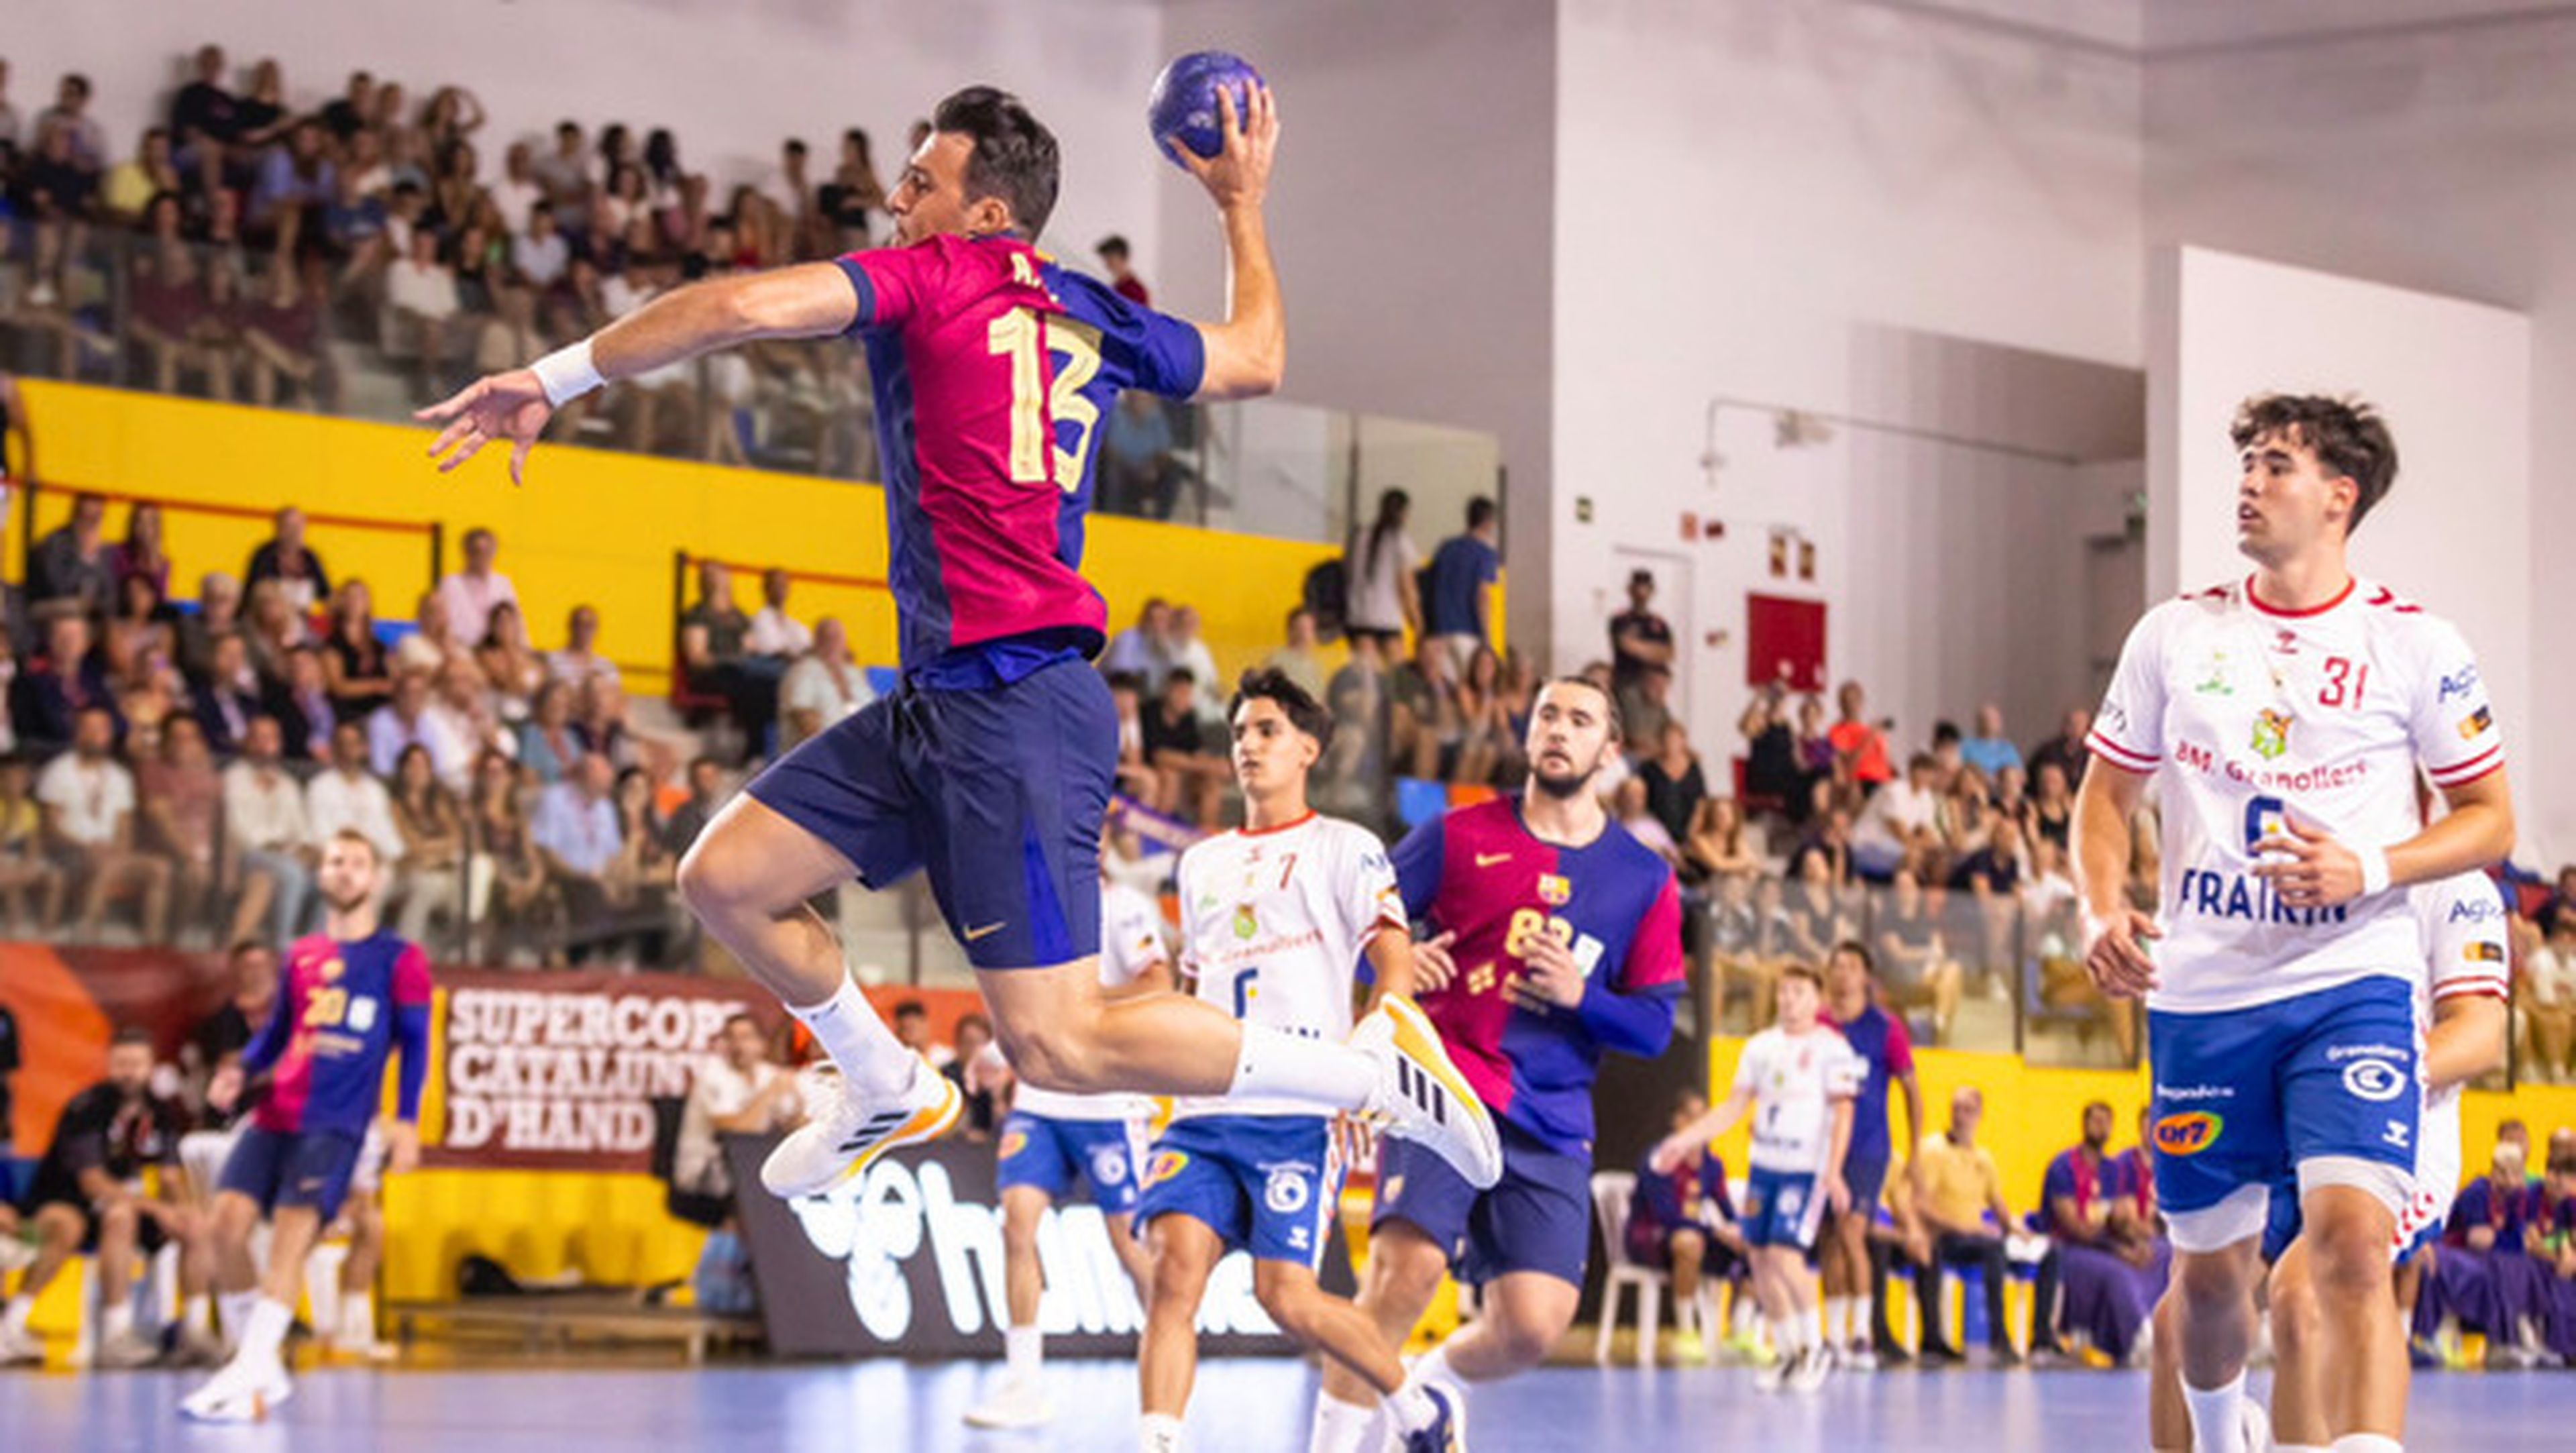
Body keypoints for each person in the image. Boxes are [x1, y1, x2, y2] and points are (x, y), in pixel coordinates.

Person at [421, 84, 1492, 1202]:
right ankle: (884, 1081)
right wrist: (1240, 204)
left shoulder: (929, 279)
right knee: (727, 877)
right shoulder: (1092, 311)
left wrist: (553, 378)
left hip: (1016, 702)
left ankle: (1369, 1074)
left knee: (1061, 1045)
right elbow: (1256, 356)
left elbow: (736, 306)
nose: (896, 197)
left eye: (921, 181)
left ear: (987, 214)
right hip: (944, 701)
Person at [2077, 394, 2514, 1453]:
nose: (2250, 481)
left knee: (2352, 1248)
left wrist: (2367, 864)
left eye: (2277, 465)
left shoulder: (2415, 645)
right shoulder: (2175, 634)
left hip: (2349, 980)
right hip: (2207, 990)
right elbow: (2103, 799)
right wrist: (2098, 907)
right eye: (2248, 463)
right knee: (2211, 1282)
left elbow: (2491, 817)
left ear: (2339, 496)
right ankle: (2225, 1434)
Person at [1312, 678, 1684, 1450]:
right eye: (1548, 713)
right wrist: (1402, 959)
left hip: (1550, 1117)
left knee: (1531, 1327)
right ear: (1527, 732)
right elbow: (1351, 926)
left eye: (1581, 720)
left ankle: (1427, 1392)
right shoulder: (1455, 835)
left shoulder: (1643, 879)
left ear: (1609, 751)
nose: (1559, 729)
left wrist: (1584, 995)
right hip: (1440, 1086)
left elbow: (1653, 1028)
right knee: (1403, 1276)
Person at [1136, 669, 1460, 1453]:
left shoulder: (1345, 848)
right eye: (1241, 732)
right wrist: (1160, 1085)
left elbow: (1393, 960)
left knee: (1285, 1296)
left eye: (1268, 731)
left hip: (1297, 1110)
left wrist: (1366, 1070)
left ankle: (1417, 1406)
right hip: (1207, 1106)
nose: (1248, 745)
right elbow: (1194, 981)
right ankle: (1156, 1442)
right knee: (1173, 1276)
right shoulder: (1202, 862)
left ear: (1308, 748)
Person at [184, 831, 431, 1422]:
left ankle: (250, 1370)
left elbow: (418, 1045)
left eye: (357, 863)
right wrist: (240, 1073)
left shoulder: (400, 958)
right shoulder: (299, 955)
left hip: (338, 1121)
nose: (344, 872)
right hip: (275, 1113)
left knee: (293, 1239)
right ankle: (257, 1365)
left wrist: (407, 1122)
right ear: (321, 876)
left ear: (374, 879)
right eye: (334, 863)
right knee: (222, 1227)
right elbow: (276, 1034)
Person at [963, 848, 1173, 1430]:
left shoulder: (1122, 905)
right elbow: (1023, 1011)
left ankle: (1172, 1362)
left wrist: (1078, 1013)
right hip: (1038, 1098)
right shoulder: (1032, 911)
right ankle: (1024, 1383)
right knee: (1016, 1224)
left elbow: (1158, 980)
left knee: (1128, 1244)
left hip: (1107, 1098)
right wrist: (993, 1050)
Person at [1654, 962, 1859, 1394]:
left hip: (1805, 1171)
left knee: (1786, 1257)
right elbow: (1732, 1108)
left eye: (1798, 991)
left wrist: (1834, 1171)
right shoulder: (1761, 1047)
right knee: (1760, 1260)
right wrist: (1683, 1141)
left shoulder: (1832, 1049)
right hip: (1765, 1167)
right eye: (1783, 991)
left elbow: (1844, 1114)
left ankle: (1816, 1346)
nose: (1788, 999)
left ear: (1817, 998)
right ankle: (1787, 1352)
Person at [0, 1028, 215, 1368]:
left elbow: (172, 1176)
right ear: (109, 1064)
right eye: (121, 1063)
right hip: (69, 1203)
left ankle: (196, 1332)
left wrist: (184, 1210)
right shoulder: (88, 1106)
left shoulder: (161, 1111)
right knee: (117, 1215)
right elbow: (94, 1183)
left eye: (137, 1063)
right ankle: (114, 1334)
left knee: (194, 1223)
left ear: (151, 1065)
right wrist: (159, 1208)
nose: (129, 1071)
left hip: (129, 1206)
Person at [1819, 940, 1922, 1369]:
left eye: (1851, 967)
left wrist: (1914, 1151)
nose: (1843, 973)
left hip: (1867, 1148)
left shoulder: (1885, 1028)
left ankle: (1862, 1336)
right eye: (1836, 965)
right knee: (1828, 1243)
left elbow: (1912, 1090)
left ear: (1866, 977)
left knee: (1852, 1235)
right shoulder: (1818, 1024)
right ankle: (1834, 1337)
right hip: (1821, 1149)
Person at [1908, 1087, 2027, 1365]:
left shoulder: (1984, 1159)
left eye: (1968, 1110)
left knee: (2042, 1252)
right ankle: (1932, 1342)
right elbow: (1921, 1207)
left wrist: (2018, 1231)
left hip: (1972, 1241)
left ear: (1980, 1115)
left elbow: (1998, 1206)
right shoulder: (1934, 1150)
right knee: (1940, 1250)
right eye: (1956, 1109)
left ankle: (2024, 1340)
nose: (1961, 1117)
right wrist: (1967, 1229)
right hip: (1943, 1234)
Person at [1626, 1091, 1748, 1362]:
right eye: (1692, 1117)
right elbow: (1666, 1216)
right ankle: (1687, 1332)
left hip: (1697, 1237)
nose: (1699, 1124)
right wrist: (1715, 1231)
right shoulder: (1661, 1158)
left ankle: (1742, 1331)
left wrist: (1738, 1230)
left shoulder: (1712, 1164)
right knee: (1688, 1240)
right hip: (1651, 1239)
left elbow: (1726, 1210)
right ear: (1677, 1121)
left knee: (1754, 1244)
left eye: (1704, 1117)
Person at [2041, 1101, 2165, 1367]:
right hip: (2070, 1249)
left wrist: (2135, 1243)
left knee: (2157, 1255)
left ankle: (2160, 1330)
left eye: (2106, 1122)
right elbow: (2076, 1228)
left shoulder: (2111, 1170)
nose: (2101, 1127)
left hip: (2104, 1246)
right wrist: (2119, 1250)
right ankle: (2133, 1342)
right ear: (2084, 1124)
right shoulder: (2063, 1166)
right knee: (2116, 1273)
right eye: (2095, 1121)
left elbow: (2120, 1219)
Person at [38, 706, 171, 943]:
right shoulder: (59, 771)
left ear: (110, 734)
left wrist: (118, 851)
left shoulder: (120, 777)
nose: (95, 735)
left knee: (160, 868)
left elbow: (125, 828)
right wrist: (86, 846)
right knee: (103, 863)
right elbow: (51, 828)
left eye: (101, 729)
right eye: (88, 729)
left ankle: (152, 941)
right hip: (70, 851)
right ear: (77, 733)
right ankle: (86, 933)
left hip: (111, 855)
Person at [672, 1013, 804, 1202]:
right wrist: (770, 1093)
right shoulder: (712, 1076)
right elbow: (736, 1132)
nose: (737, 1045)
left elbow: (794, 1125)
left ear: (762, 1044)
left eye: (746, 1038)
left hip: (749, 1169)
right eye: (730, 1038)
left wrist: (798, 1105)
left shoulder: (770, 1074)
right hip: (706, 1174)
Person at [1421, 496, 1500, 677]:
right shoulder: (1485, 553)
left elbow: (1427, 589)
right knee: (1467, 687)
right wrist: (1487, 637)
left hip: (1439, 631)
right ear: (1489, 522)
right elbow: (1482, 595)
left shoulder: (1446, 548)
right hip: (1468, 632)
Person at [1344, 488, 1420, 649]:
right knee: (1394, 673)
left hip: (1357, 618)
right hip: (1387, 619)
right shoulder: (1400, 540)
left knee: (1364, 673)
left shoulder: (1360, 536)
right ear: (1403, 513)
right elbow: (1407, 588)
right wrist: (1418, 623)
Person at [244, 506, 331, 623]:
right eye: (289, 527)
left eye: (298, 527)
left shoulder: (310, 558)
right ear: (277, 529)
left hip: (302, 623)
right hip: (268, 622)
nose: (294, 532)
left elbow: (326, 594)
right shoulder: (264, 556)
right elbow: (252, 594)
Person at [434, 527, 518, 648]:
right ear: (466, 551)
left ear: (494, 552)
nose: (482, 556)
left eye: (487, 551)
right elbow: (440, 625)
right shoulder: (450, 584)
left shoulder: (503, 584)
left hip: (496, 652)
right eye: (477, 551)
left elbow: (516, 623)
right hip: (460, 650)